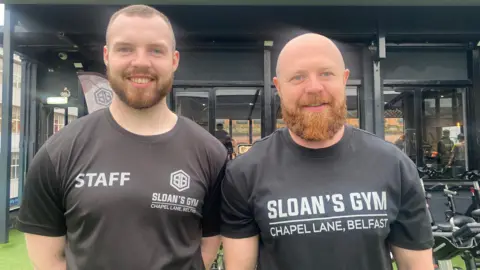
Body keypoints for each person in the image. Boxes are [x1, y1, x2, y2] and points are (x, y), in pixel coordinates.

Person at [16, 5, 227, 270]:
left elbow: (208, 246)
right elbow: (48, 258)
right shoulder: (58, 152)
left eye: (155, 50)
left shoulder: (210, 153)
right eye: (125, 48)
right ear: (107, 55)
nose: (140, 62)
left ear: (174, 60)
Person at [220, 33, 434, 270]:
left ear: (344, 80)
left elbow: (417, 265)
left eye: (326, 74)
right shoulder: (245, 172)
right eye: (298, 77)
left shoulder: (394, 165)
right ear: (278, 87)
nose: (313, 88)